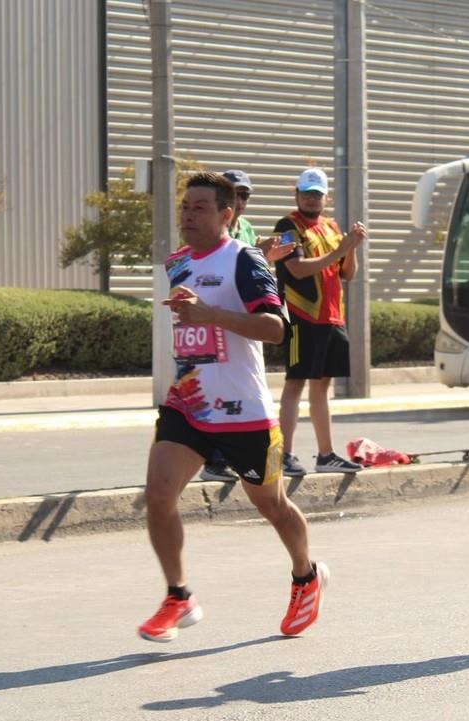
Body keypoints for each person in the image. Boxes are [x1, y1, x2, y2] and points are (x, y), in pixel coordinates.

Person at [139, 172, 329, 642]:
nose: (188, 214)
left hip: (244, 411)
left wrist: (211, 315)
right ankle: (178, 595)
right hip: (188, 404)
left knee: (273, 506)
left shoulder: (245, 260)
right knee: (159, 495)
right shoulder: (176, 263)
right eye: (185, 206)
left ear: (227, 215)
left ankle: (306, 575)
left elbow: (275, 328)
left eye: (200, 207)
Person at [273, 167, 365, 477]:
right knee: (295, 383)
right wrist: (341, 249)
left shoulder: (330, 226)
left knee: (322, 386)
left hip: (332, 316)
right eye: (306, 193)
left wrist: (351, 249)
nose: (312, 199)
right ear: (297, 195)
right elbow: (297, 269)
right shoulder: (287, 226)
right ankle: (284, 454)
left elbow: (347, 273)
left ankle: (326, 454)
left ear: (326, 197)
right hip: (302, 316)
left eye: (317, 194)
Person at [200, 169, 257, 484]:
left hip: (242, 321)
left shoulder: (247, 229)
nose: (241, 199)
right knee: (216, 391)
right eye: (236, 193)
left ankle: (232, 456)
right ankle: (213, 459)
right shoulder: (210, 230)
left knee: (240, 391)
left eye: (245, 194)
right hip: (214, 319)